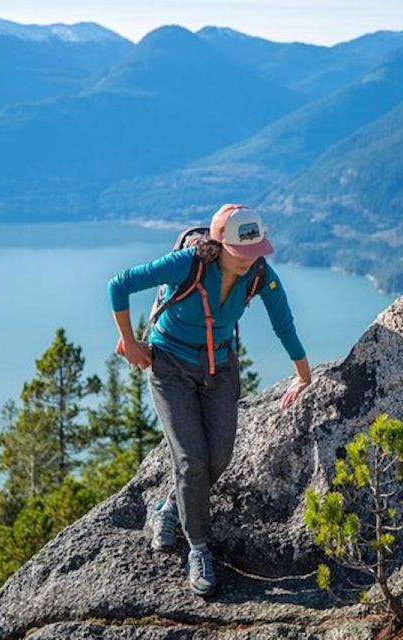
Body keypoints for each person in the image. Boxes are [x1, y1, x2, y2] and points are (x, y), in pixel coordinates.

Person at [107, 203, 312, 597]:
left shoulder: (259, 275)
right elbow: (119, 284)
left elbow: (283, 322)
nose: (251, 261)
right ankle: (198, 548)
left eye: (256, 253)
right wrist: (131, 343)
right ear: (218, 245)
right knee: (190, 459)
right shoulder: (188, 264)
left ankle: (168, 507)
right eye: (242, 254)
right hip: (170, 367)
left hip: (219, 367)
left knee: (217, 458)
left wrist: (304, 376)